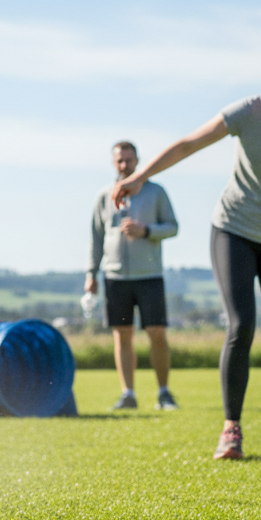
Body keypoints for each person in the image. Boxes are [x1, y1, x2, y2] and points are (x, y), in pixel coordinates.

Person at [112, 35, 261, 459]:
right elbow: (190, 143)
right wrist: (139, 177)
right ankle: (231, 431)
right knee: (240, 326)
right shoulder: (251, 112)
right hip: (233, 231)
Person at [87, 141, 180, 411]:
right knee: (122, 336)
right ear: (114, 163)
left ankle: (164, 393)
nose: (124, 165)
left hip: (149, 275)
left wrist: (146, 230)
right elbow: (95, 237)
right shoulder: (105, 195)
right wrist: (91, 273)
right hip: (115, 277)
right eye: (120, 161)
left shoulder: (156, 192)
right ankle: (128, 394)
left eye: (129, 160)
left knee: (157, 333)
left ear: (138, 161)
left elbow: (173, 227)